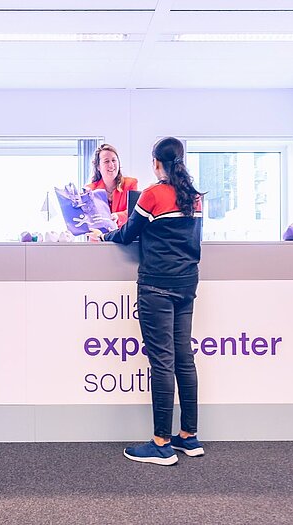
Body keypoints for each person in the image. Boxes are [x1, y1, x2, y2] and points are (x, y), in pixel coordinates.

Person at [90, 137, 204, 466]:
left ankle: (161, 444)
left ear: (156, 163)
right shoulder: (194, 197)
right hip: (186, 284)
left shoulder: (152, 194)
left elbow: (127, 234)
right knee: (184, 360)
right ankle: (189, 437)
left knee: (163, 363)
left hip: (157, 286)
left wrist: (103, 235)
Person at [85, 143, 138, 227]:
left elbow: (133, 213)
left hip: (123, 233)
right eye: (106, 161)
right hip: (99, 234)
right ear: (98, 166)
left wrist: (118, 216)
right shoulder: (90, 190)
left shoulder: (131, 183)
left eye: (114, 160)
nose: (111, 165)